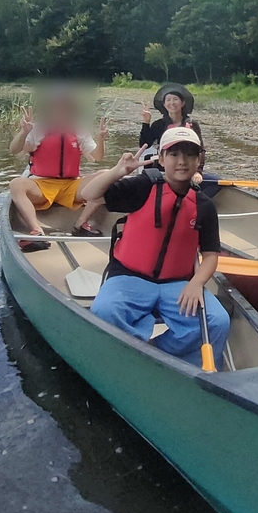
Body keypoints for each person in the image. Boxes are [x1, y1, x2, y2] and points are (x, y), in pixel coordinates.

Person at [81, 127, 230, 369]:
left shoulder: (203, 204)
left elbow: (211, 255)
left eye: (190, 155)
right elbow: (88, 193)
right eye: (174, 155)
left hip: (177, 283)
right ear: (161, 159)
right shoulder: (142, 187)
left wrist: (196, 283)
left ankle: (161, 352)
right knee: (104, 311)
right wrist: (117, 172)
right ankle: (127, 356)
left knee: (217, 321)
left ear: (198, 160)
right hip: (130, 277)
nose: (182, 161)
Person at [8, 90, 108, 251]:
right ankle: (37, 231)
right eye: (57, 108)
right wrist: (24, 132)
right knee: (16, 184)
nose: (61, 111)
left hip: (71, 186)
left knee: (106, 176)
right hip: (41, 185)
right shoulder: (37, 129)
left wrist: (100, 140)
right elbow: (14, 150)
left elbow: (97, 156)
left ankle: (80, 224)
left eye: (65, 108)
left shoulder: (79, 131)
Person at [140, 83, 222, 195]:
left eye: (175, 99)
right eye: (168, 100)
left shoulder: (192, 125)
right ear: (164, 104)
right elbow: (144, 144)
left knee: (215, 182)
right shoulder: (159, 124)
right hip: (165, 169)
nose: (172, 103)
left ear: (182, 103)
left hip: (185, 168)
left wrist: (197, 172)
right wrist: (146, 122)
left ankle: (192, 201)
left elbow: (200, 150)